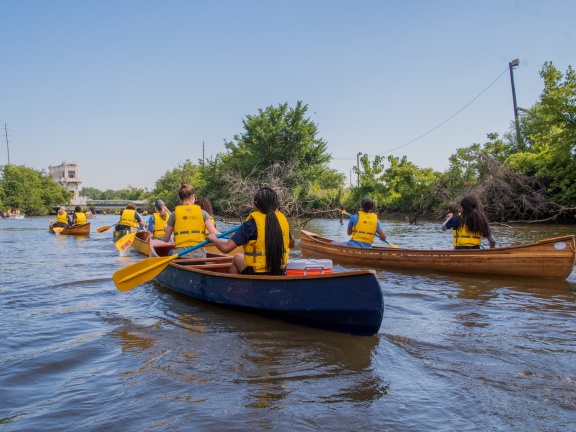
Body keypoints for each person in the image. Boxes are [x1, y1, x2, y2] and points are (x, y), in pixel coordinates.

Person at [207, 187, 295, 275]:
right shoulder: (282, 221)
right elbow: (292, 244)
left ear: (256, 204)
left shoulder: (250, 225)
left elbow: (225, 248)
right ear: (276, 205)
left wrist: (213, 239)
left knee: (237, 257)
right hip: (280, 272)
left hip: (256, 273)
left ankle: (236, 288)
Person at [162, 182, 220, 258]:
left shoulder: (174, 214)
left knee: (170, 252)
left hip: (181, 256)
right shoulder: (203, 213)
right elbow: (215, 234)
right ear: (193, 196)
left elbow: (166, 239)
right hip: (200, 256)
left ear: (180, 198)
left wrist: (166, 230)